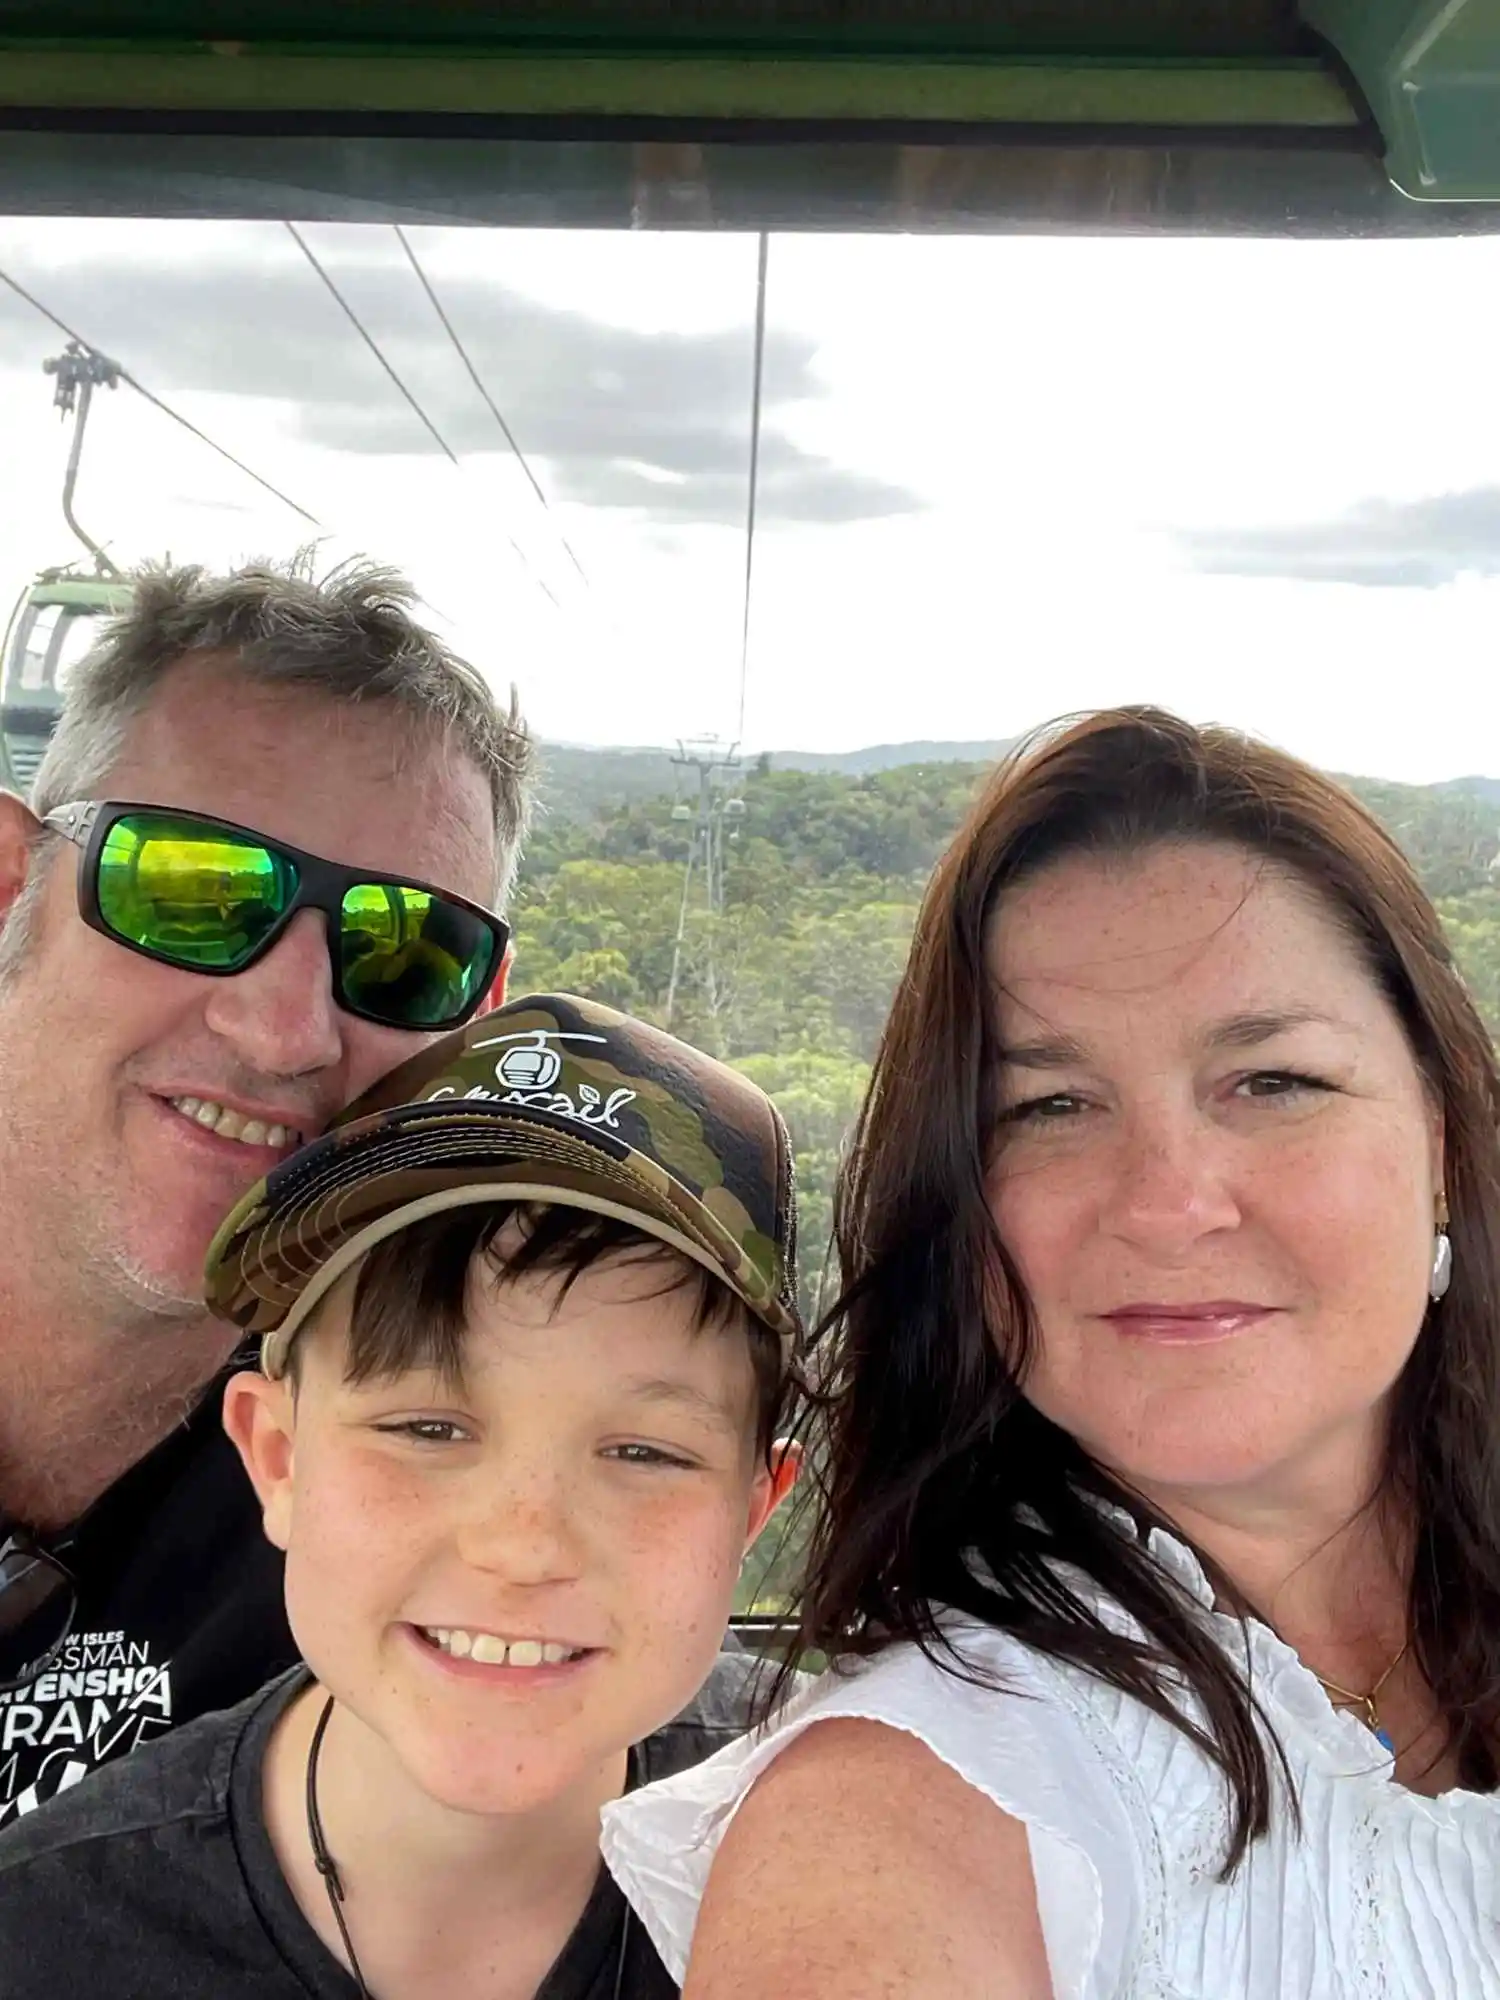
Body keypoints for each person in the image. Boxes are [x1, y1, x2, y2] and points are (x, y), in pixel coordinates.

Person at [602, 706, 1500, 1999]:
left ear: (1444, 1143)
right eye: (1050, 1106)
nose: (1167, 1200)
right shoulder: (898, 1816)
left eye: (1275, 1082)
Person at [0, 994, 801, 2000]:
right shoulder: (47, 1936)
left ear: (752, 1511)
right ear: (279, 1457)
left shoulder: (862, 1850)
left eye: (643, 1450)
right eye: (427, 1428)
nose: (522, 1544)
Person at [0, 554, 530, 1827]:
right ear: (14, 894)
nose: (289, 1029)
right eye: (190, 888)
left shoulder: (423, 1519)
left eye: (406, 949)